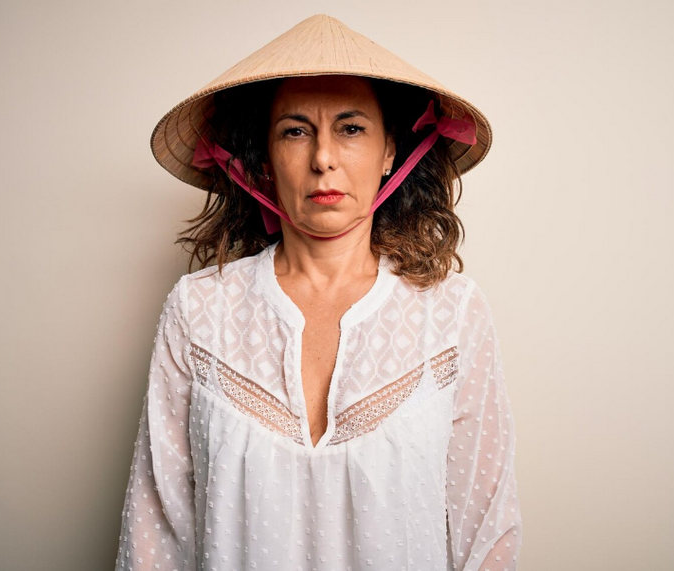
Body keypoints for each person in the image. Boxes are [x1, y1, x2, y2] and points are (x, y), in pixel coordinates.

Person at [115, 14, 522, 570]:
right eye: (295, 131)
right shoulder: (198, 309)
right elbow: (154, 532)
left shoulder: (451, 312)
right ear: (263, 159)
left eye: (351, 129)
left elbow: (487, 533)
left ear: (389, 152)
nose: (323, 157)